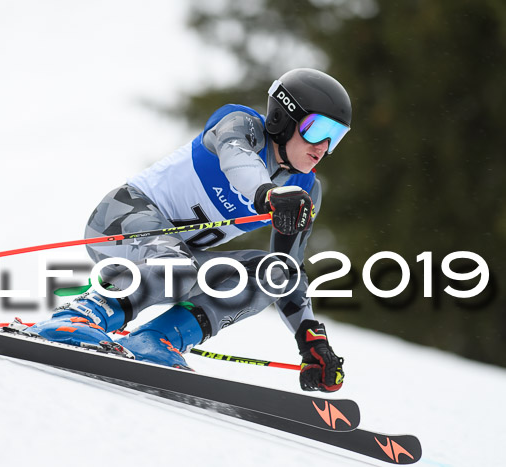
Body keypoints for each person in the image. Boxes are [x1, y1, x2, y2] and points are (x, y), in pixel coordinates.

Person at [26, 68, 350, 393]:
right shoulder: (241, 124)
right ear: (284, 118)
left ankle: (158, 340)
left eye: (334, 137)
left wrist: (311, 341)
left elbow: (289, 271)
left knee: (274, 273)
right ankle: (80, 316)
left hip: (179, 256)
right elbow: (238, 161)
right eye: (317, 129)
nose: (322, 145)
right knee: (178, 267)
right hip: (121, 219)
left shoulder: (305, 189)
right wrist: (267, 193)